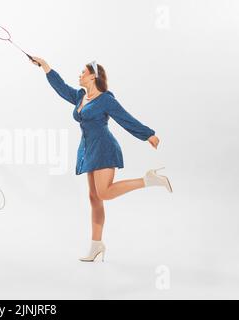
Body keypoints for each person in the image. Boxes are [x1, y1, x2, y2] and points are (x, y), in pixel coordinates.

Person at [31, 57, 173, 262]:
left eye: (83, 71)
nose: (79, 74)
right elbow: (61, 88)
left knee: (104, 193)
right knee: (94, 198)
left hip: (104, 148)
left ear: (93, 76)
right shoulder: (81, 97)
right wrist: (45, 66)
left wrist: (148, 134)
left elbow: (125, 117)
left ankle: (148, 180)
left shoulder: (106, 99)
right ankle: (96, 246)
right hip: (89, 150)